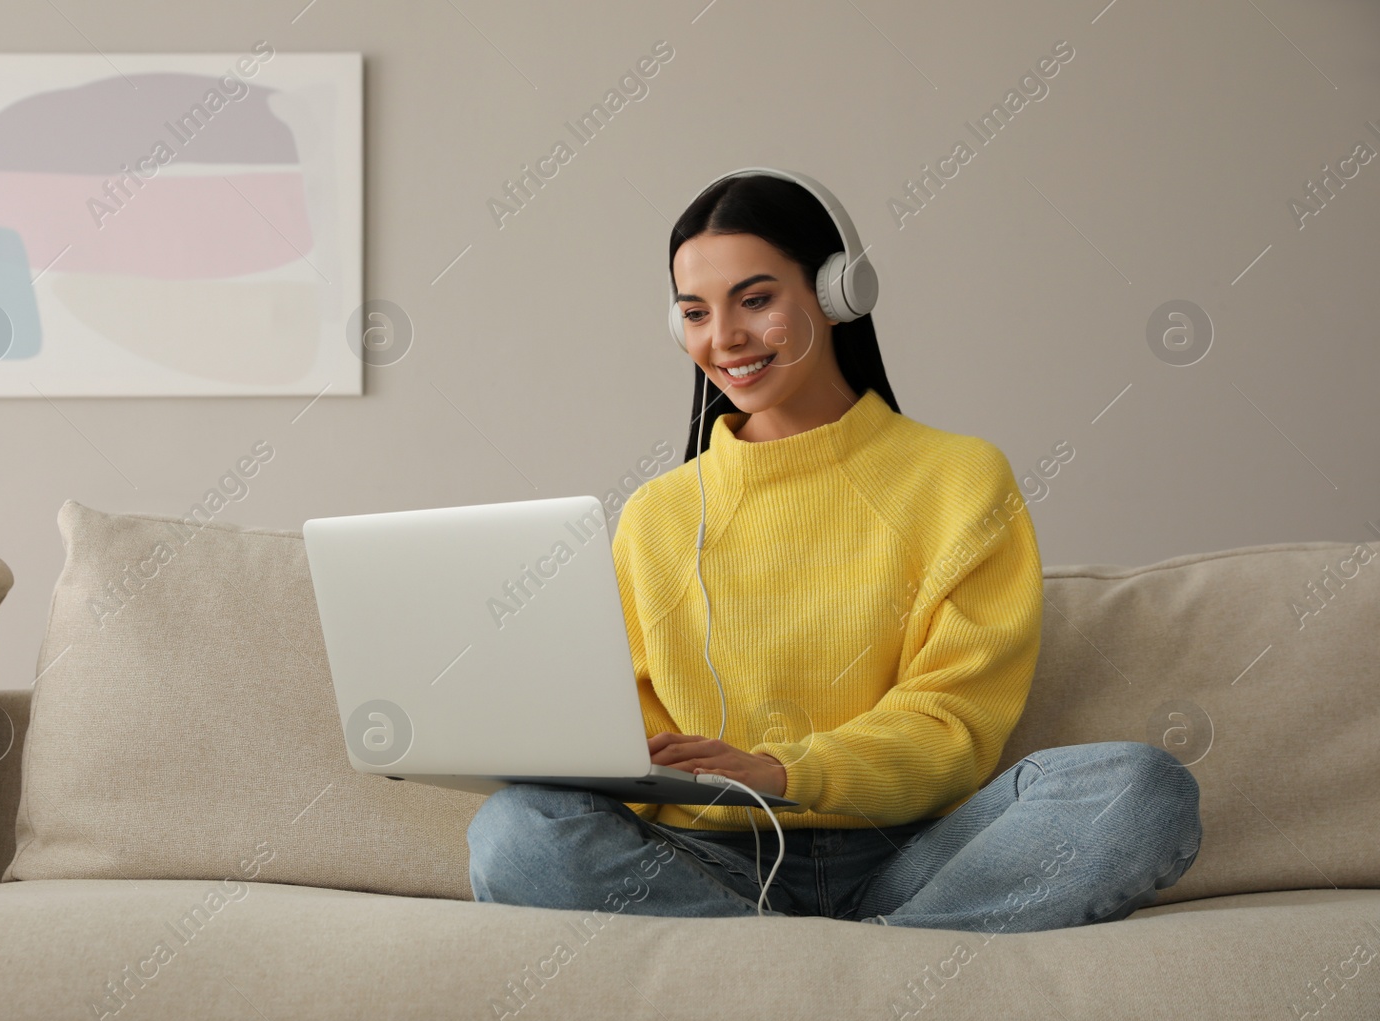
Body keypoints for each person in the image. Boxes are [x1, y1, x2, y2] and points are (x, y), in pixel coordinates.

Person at [466, 171, 1202, 930]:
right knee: (516, 830)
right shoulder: (656, 515)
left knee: (1140, 789)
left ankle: (782, 972)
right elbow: (630, 737)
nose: (723, 339)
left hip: (914, 857)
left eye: (755, 300)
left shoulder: (961, 479)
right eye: (695, 312)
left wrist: (787, 771)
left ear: (837, 291)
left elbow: (952, 721)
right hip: (709, 863)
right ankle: (862, 972)